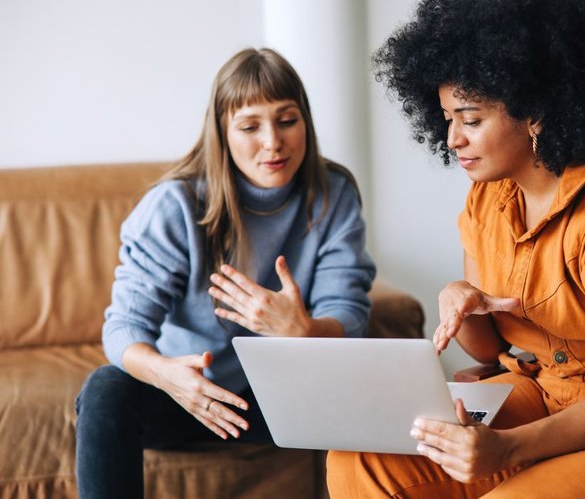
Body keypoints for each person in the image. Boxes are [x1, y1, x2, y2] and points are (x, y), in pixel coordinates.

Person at [326, 0, 585, 497]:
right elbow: (489, 349)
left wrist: (508, 449)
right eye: (447, 118)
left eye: (470, 118)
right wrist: (460, 299)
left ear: (535, 112)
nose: (453, 139)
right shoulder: (487, 198)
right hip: (547, 393)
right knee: (365, 459)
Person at [75, 47, 375, 498]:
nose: (273, 142)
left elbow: (348, 310)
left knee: (386, 385)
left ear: (306, 123)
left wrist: (304, 330)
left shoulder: (334, 192)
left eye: (287, 120)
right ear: (223, 133)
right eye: (250, 126)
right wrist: (166, 375)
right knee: (105, 389)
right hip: (185, 394)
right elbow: (124, 328)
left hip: (284, 395)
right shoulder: (175, 206)